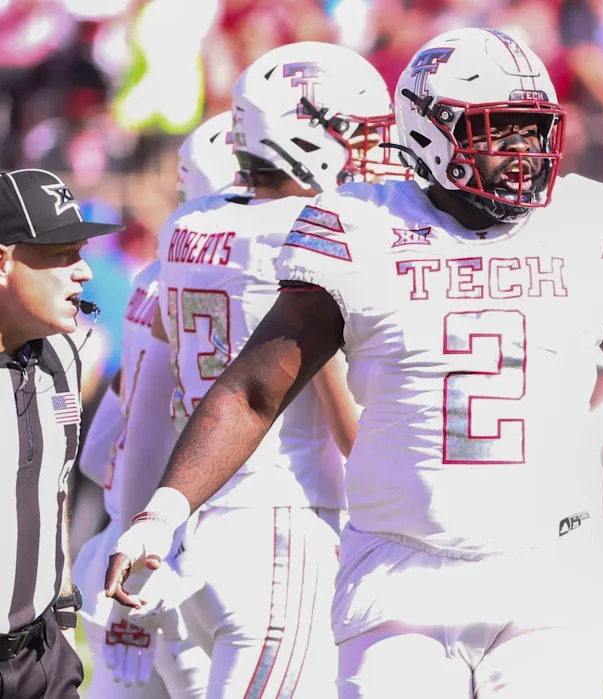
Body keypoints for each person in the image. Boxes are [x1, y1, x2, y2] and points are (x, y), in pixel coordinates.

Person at [107, 28, 603, 698]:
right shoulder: (359, 225)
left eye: (531, 129)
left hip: (552, 566)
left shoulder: (585, 217)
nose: (522, 150)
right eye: (496, 130)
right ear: (426, 130)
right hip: (399, 568)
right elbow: (255, 390)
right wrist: (160, 511)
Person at [110, 41, 402, 696]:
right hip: (283, 521)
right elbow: (349, 423)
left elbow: (145, 402)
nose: (372, 151)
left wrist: (141, 519)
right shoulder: (322, 230)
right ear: (305, 136)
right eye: (355, 132)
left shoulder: (188, 224)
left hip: (199, 516)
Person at [71, 110, 243, 699]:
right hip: (195, 548)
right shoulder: (256, 276)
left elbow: (100, 453)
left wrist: (124, 524)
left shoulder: (152, 276)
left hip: (125, 544)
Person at [0, 168, 122, 698]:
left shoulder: (61, 359)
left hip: (41, 655)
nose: (85, 272)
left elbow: (55, 487)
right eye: (59, 255)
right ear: (3, 262)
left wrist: (65, 612)